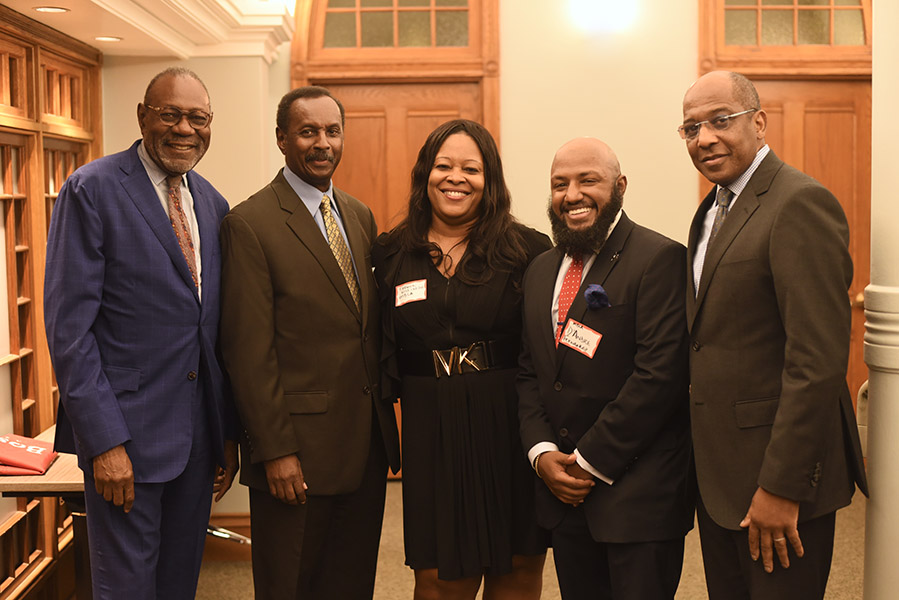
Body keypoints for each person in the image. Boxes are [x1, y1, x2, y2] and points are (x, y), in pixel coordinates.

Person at [43, 67, 239, 600]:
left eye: (197, 118)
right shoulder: (92, 189)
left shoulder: (212, 203)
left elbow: (212, 331)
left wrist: (226, 431)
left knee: (178, 585)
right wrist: (104, 441)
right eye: (170, 114)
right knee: (126, 589)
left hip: (197, 443)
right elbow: (70, 332)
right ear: (142, 117)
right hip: (126, 442)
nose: (184, 129)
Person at [680, 70, 868, 599]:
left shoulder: (798, 203)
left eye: (721, 121)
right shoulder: (712, 209)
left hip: (779, 480)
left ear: (759, 123)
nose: (705, 138)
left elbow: (817, 362)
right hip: (722, 478)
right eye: (692, 128)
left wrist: (781, 487)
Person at [219, 85, 401, 600]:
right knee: (292, 585)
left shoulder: (358, 214)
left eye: (332, 131)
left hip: (363, 447)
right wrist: (275, 450)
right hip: (295, 455)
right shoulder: (249, 223)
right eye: (308, 131)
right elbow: (247, 352)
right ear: (282, 139)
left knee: (350, 585)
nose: (323, 143)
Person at [372, 119, 551, 599]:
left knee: (516, 565)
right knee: (437, 577)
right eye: (443, 166)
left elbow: (544, 352)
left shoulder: (529, 250)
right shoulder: (390, 254)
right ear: (424, 175)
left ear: (489, 180)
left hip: (508, 421)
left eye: (471, 169)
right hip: (431, 424)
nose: (456, 178)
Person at [517, 137, 694, 600]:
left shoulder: (658, 258)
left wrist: (588, 462)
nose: (571, 194)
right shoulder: (539, 269)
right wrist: (541, 453)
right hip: (563, 494)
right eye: (560, 184)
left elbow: (660, 377)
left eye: (587, 180)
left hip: (637, 496)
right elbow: (531, 371)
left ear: (619, 186)